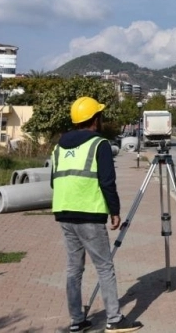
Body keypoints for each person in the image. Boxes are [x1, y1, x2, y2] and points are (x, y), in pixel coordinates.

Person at [51, 96, 143, 333]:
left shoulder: (59, 146)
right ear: (95, 118)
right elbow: (107, 182)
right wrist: (115, 211)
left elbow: (54, 181)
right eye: (99, 115)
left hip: (63, 212)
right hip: (89, 213)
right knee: (104, 267)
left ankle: (76, 320)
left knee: (73, 269)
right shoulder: (99, 144)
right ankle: (114, 319)